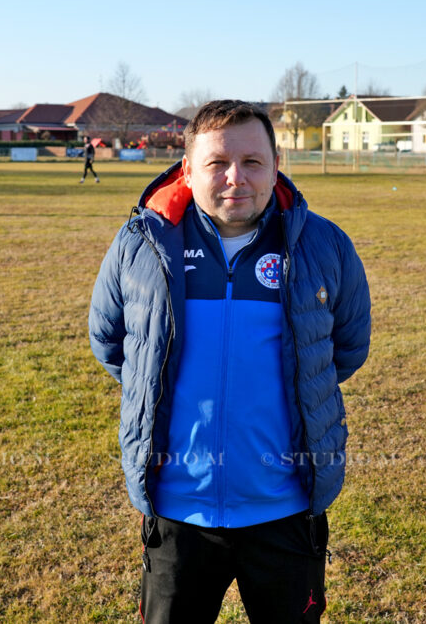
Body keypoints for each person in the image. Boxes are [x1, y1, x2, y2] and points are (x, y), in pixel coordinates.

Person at [89, 100, 371, 623]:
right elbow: (111, 343)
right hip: (179, 510)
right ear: (188, 168)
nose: (235, 178)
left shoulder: (322, 245)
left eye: (253, 162)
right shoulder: (142, 245)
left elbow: (346, 348)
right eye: (217, 162)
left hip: (284, 507)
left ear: (276, 163)